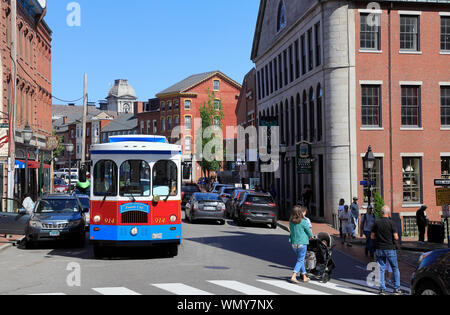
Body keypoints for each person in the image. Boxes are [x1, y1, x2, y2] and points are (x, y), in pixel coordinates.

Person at [371, 206, 402, 295]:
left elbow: (372, 236)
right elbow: (396, 237)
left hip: (379, 248)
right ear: (388, 213)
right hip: (390, 248)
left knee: (381, 269)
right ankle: (396, 289)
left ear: (381, 213)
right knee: (395, 268)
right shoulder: (392, 223)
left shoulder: (376, 223)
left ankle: (382, 289)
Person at [289, 205, 313, 284]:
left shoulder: (291, 221)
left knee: (300, 259)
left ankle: (304, 276)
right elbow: (309, 232)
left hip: (293, 243)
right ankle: (294, 275)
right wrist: (310, 237)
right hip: (302, 243)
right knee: (300, 260)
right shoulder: (303, 221)